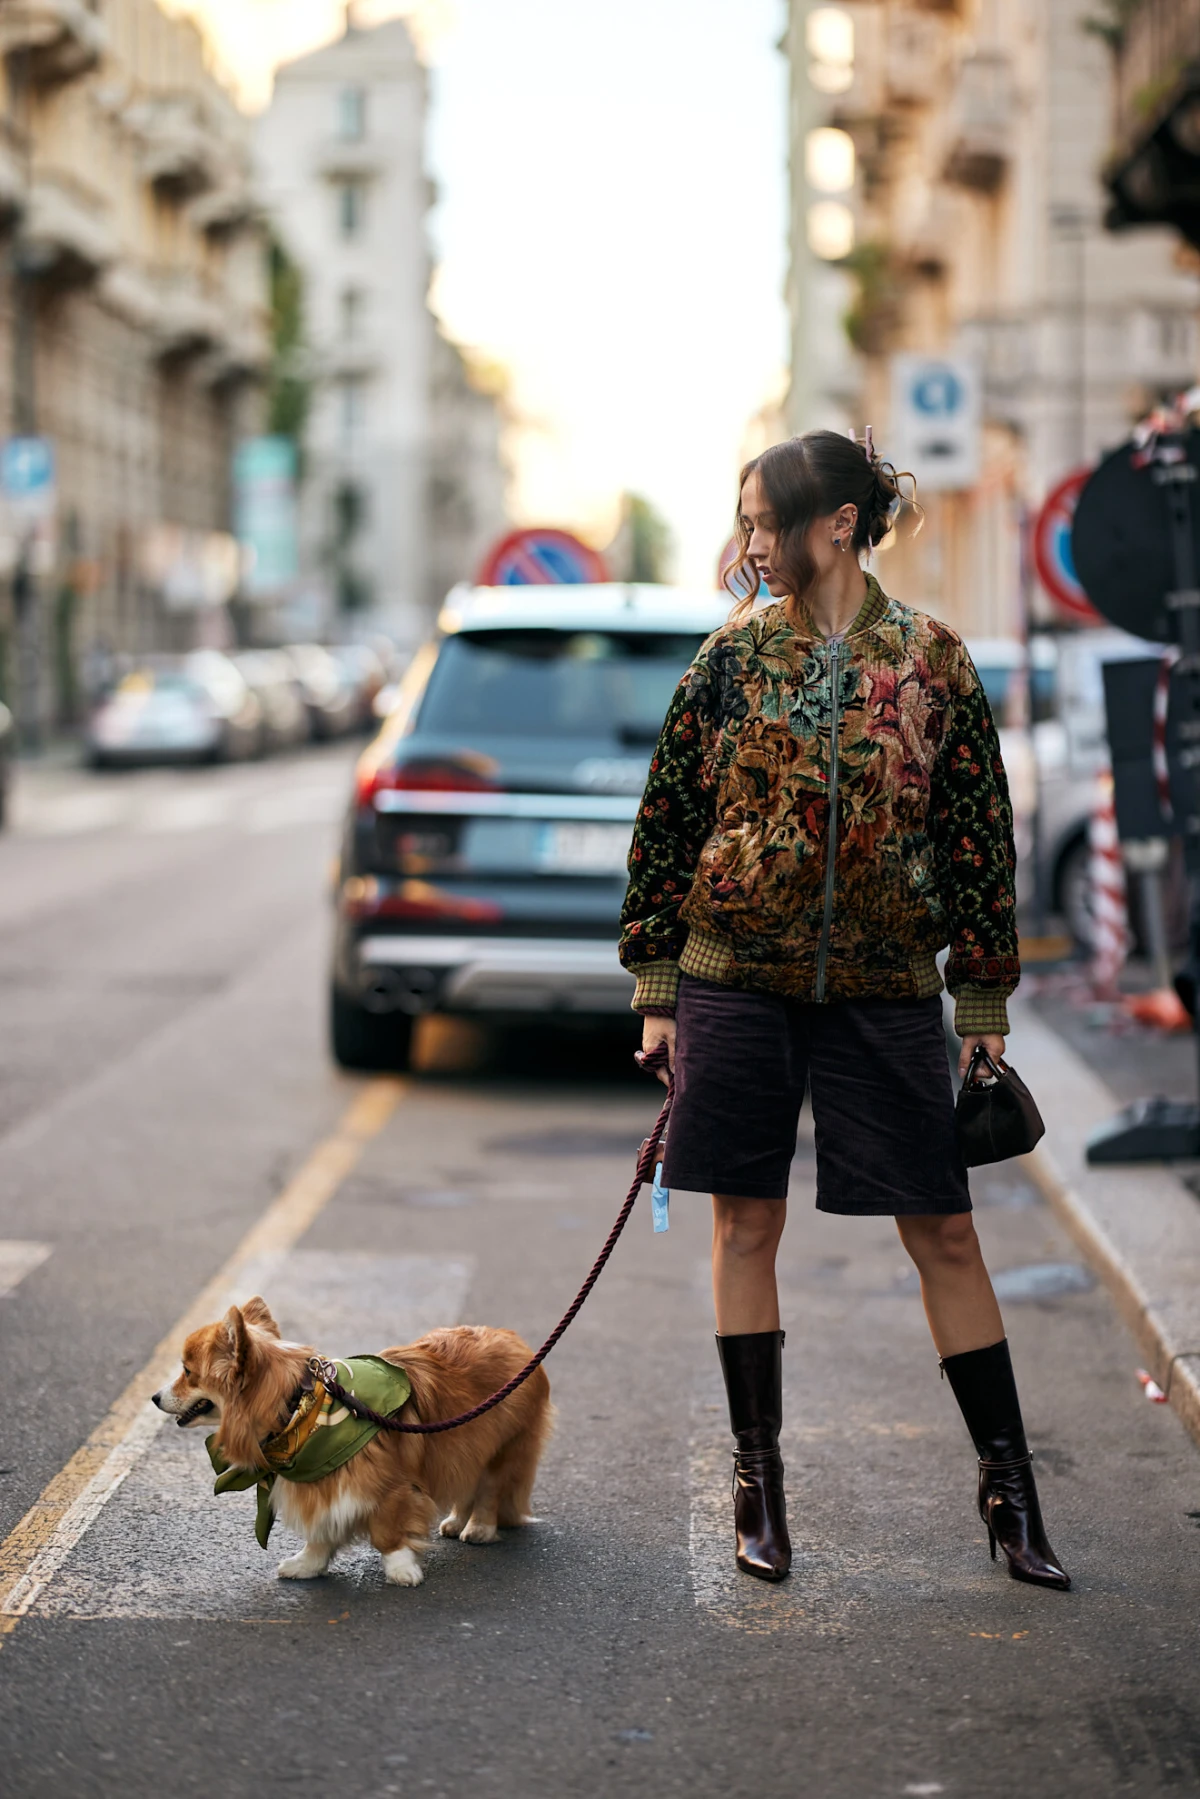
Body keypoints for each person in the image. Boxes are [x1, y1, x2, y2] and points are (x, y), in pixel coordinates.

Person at [619, 429, 1068, 1592]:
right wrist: (658, 985)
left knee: (948, 1230)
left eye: (768, 521)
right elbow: (667, 828)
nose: (752, 543)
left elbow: (978, 834)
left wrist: (981, 988)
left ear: (838, 526)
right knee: (744, 1225)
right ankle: (757, 1477)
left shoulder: (932, 662)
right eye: (746, 520)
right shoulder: (728, 662)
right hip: (735, 978)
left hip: (880, 989)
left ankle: (1009, 1484)